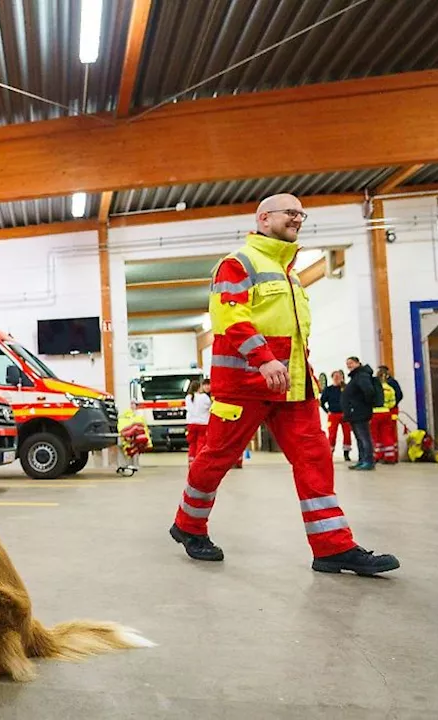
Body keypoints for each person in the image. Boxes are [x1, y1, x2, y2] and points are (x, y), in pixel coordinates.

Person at [167, 193, 399, 576]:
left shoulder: (290, 275)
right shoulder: (238, 264)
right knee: (217, 458)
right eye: (290, 212)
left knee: (316, 459)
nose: (298, 219)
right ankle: (189, 525)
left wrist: (295, 372)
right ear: (263, 217)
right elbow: (229, 315)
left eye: (301, 213)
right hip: (245, 385)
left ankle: (333, 547)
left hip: (293, 389)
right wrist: (262, 357)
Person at [342, 357, 378, 471]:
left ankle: (368, 461)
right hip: (355, 413)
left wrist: (361, 405)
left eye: (351, 363)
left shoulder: (361, 375)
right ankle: (362, 460)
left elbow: (369, 391)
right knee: (359, 438)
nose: (349, 365)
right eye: (347, 364)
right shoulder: (356, 376)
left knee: (364, 437)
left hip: (360, 412)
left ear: (358, 363)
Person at [371, 365, 404, 464]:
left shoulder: (374, 387)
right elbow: (394, 401)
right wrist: (388, 407)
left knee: (376, 435)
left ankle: (378, 455)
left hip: (375, 413)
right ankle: (390, 456)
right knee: (388, 434)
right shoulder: (390, 388)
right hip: (387, 412)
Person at [319, 369, 351, 462]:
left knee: (347, 434)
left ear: (342, 377)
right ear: (332, 378)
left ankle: (346, 453)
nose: (337, 378)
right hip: (333, 414)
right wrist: (327, 411)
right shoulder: (328, 390)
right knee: (332, 434)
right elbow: (322, 402)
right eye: (335, 376)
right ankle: (330, 453)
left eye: (339, 376)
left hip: (345, 414)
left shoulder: (346, 389)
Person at [184, 378, 212, 465]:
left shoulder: (188, 397)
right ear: (198, 388)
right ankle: (198, 461)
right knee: (201, 442)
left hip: (191, 423)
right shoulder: (204, 397)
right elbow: (210, 407)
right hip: (203, 423)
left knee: (192, 443)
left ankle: (191, 460)